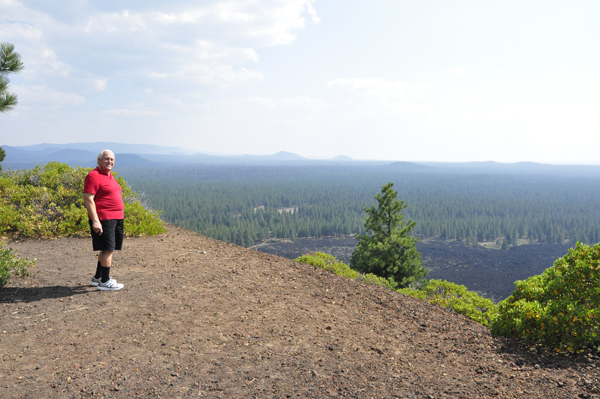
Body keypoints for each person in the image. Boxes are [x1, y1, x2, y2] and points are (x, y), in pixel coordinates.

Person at [83, 150, 125, 291]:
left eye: (112, 159)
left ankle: (98, 278)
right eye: (106, 159)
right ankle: (105, 282)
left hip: (116, 218)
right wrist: (95, 220)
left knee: (106, 249)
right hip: (105, 219)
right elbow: (88, 199)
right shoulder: (93, 176)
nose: (110, 162)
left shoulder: (110, 176)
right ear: (99, 160)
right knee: (108, 249)